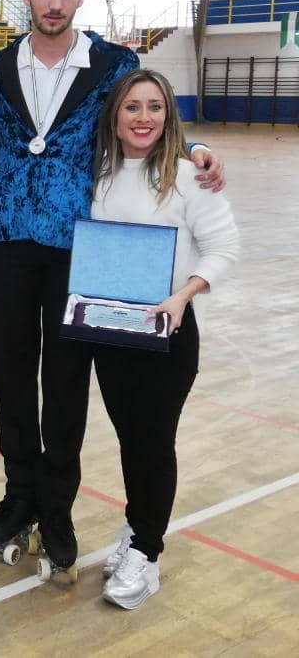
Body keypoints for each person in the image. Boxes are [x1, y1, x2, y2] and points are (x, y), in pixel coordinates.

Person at [0, 0, 224, 578]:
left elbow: (143, 121)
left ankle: (56, 508)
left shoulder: (114, 65)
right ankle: (19, 495)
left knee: (63, 386)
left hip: (77, 242)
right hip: (5, 236)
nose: (54, 3)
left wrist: (192, 147)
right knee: (10, 374)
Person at [90, 69, 238, 608]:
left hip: (168, 334)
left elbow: (224, 247)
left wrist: (185, 295)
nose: (144, 117)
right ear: (115, 115)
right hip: (111, 335)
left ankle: (147, 555)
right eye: (132, 107)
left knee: (153, 442)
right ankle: (136, 528)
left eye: (155, 107)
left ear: (168, 114)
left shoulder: (186, 176)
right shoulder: (98, 171)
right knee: (132, 440)